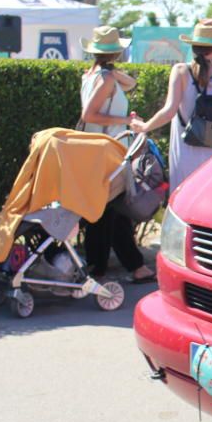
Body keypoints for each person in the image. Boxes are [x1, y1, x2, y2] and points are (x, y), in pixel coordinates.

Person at [130, 18, 212, 193]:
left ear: (193, 47)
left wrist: (144, 127)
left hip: (185, 150)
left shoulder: (181, 71)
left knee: (182, 199)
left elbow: (169, 110)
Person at [78, 26, 155, 283]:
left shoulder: (93, 75)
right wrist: (125, 119)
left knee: (108, 210)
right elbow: (89, 115)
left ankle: (102, 266)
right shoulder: (106, 78)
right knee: (112, 209)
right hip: (107, 149)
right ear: (117, 52)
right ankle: (124, 266)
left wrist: (112, 72)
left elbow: (131, 83)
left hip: (98, 150)